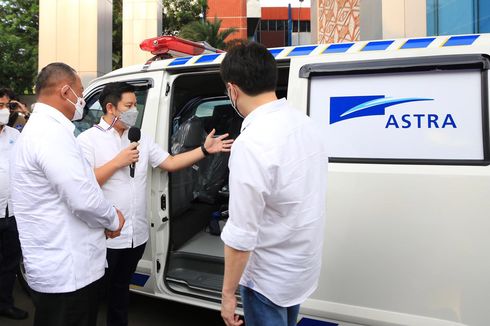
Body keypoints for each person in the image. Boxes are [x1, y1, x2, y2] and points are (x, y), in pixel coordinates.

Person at [77, 82, 234, 326]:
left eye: (135, 106)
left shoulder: (140, 138)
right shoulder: (88, 140)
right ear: (110, 107)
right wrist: (118, 161)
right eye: (128, 106)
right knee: (92, 296)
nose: (134, 111)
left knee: (120, 293)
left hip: (136, 235)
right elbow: (84, 185)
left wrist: (204, 149)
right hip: (105, 235)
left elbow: (170, 162)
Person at [219, 42, 329, 326]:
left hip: (266, 279)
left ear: (233, 89)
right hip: (300, 269)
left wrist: (228, 294)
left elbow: (242, 233)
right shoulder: (307, 125)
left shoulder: (252, 143)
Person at [9, 63, 126, 326]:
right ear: (65, 92)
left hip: (61, 266)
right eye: (80, 92)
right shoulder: (49, 134)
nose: (82, 100)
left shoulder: (45, 130)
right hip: (68, 273)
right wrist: (113, 219)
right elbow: (83, 198)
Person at [0, 89, 28, 320]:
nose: (4, 110)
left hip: (12, 213)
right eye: (0, 105)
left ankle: (5, 304)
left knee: (10, 264)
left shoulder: (15, 134)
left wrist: (25, 115)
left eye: (8, 106)